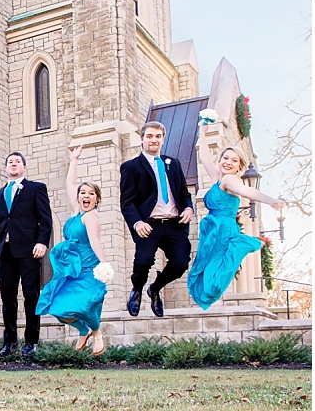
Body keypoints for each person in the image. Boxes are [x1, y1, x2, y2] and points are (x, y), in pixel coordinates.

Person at [187, 123, 286, 309]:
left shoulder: (229, 180)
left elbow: (246, 191)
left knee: (211, 283)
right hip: (212, 229)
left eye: (234, 161)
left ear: (239, 166)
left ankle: (239, 245)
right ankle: (238, 246)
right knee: (205, 273)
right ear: (221, 160)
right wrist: (202, 132)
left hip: (223, 229)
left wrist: (270, 200)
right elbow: (205, 158)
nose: (228, 162)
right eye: (225, 158)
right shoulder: (218, 178)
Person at [36, 146, 111, 355]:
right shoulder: (77, 212)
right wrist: (74, 160)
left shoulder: (90, 217)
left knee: (84, 305)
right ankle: (83, 330)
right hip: (71, 267)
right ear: (79, 198)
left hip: (88, 267)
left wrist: (104, 265)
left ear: (97, 199)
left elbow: (95, 242)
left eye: (91, 193)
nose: (86, 196)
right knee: (59, 308)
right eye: (83, 193)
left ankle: (96, 333)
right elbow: (70, 183)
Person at [120, 120, 194, 318]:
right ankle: (136, 289)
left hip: (174, 224)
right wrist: (137, 223)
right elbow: (127, 202)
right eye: (150, 136)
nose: (154, 140)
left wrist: (188, 208)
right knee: (143, 262)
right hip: (149, 225)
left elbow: (184, 193)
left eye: (158, 136)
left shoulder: (173, 163)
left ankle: (154, 289)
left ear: (163, 139)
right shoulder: (131, 167)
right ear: (142, 139)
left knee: (180, 263)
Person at [0, 152, 52, 358]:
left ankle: (31, 342)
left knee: (31, 295)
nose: (13, 165)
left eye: (17, 162)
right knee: (8, 298)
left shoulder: (36, 189)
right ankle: (9, 342)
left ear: (24, 167)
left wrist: (42, 242)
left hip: (29, 251)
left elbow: (46, 219)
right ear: (6, 168)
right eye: (10, 162)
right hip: (5, 253)